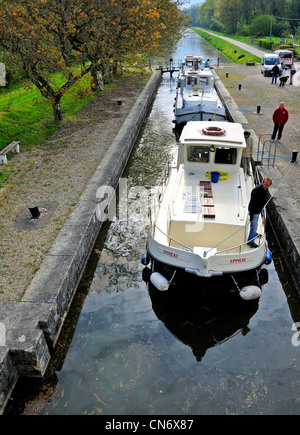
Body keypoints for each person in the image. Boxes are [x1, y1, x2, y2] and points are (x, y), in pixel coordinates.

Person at [247, 178, 272, 248]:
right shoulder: (256, 191)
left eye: (268, 185)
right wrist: (251, 217)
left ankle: (254, 234)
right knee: (254, 226)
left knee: (256, 224)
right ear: (262, 182)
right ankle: (250, 241)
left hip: (258, 210)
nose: (266, 186)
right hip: (254, 211)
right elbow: (252, 204)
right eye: (265, 184)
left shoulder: (265, 189)